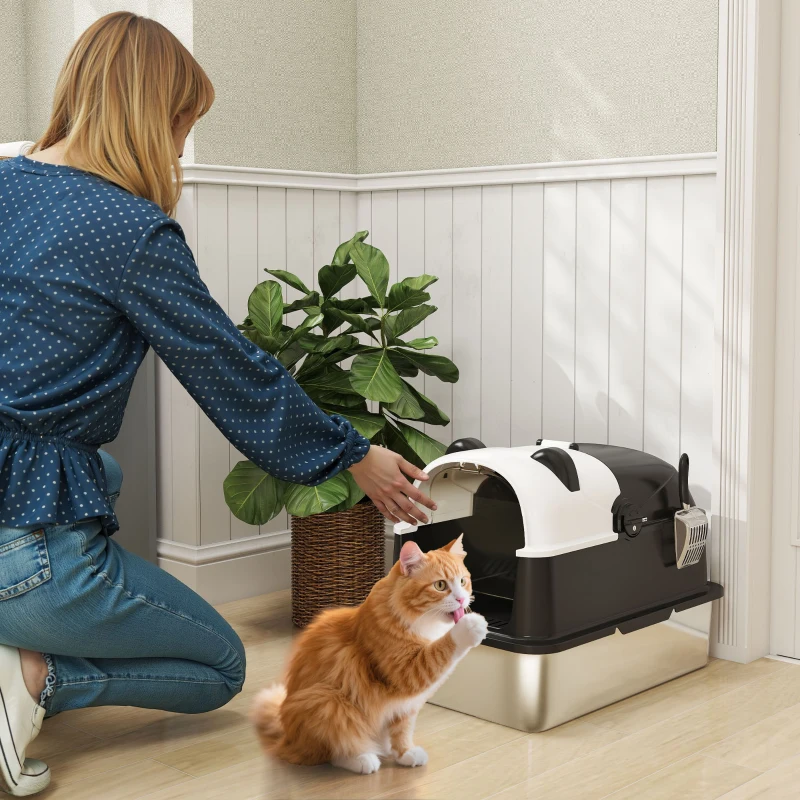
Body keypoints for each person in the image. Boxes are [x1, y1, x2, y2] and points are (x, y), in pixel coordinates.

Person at [0, 11, 435, 796]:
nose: (177, 150)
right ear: (148, 116)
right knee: (219, 667)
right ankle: (31, 673)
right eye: (180, 127)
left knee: (97, 464)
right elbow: (230, 371)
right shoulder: (130, 228)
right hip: (22, 556)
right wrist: (352, 452)